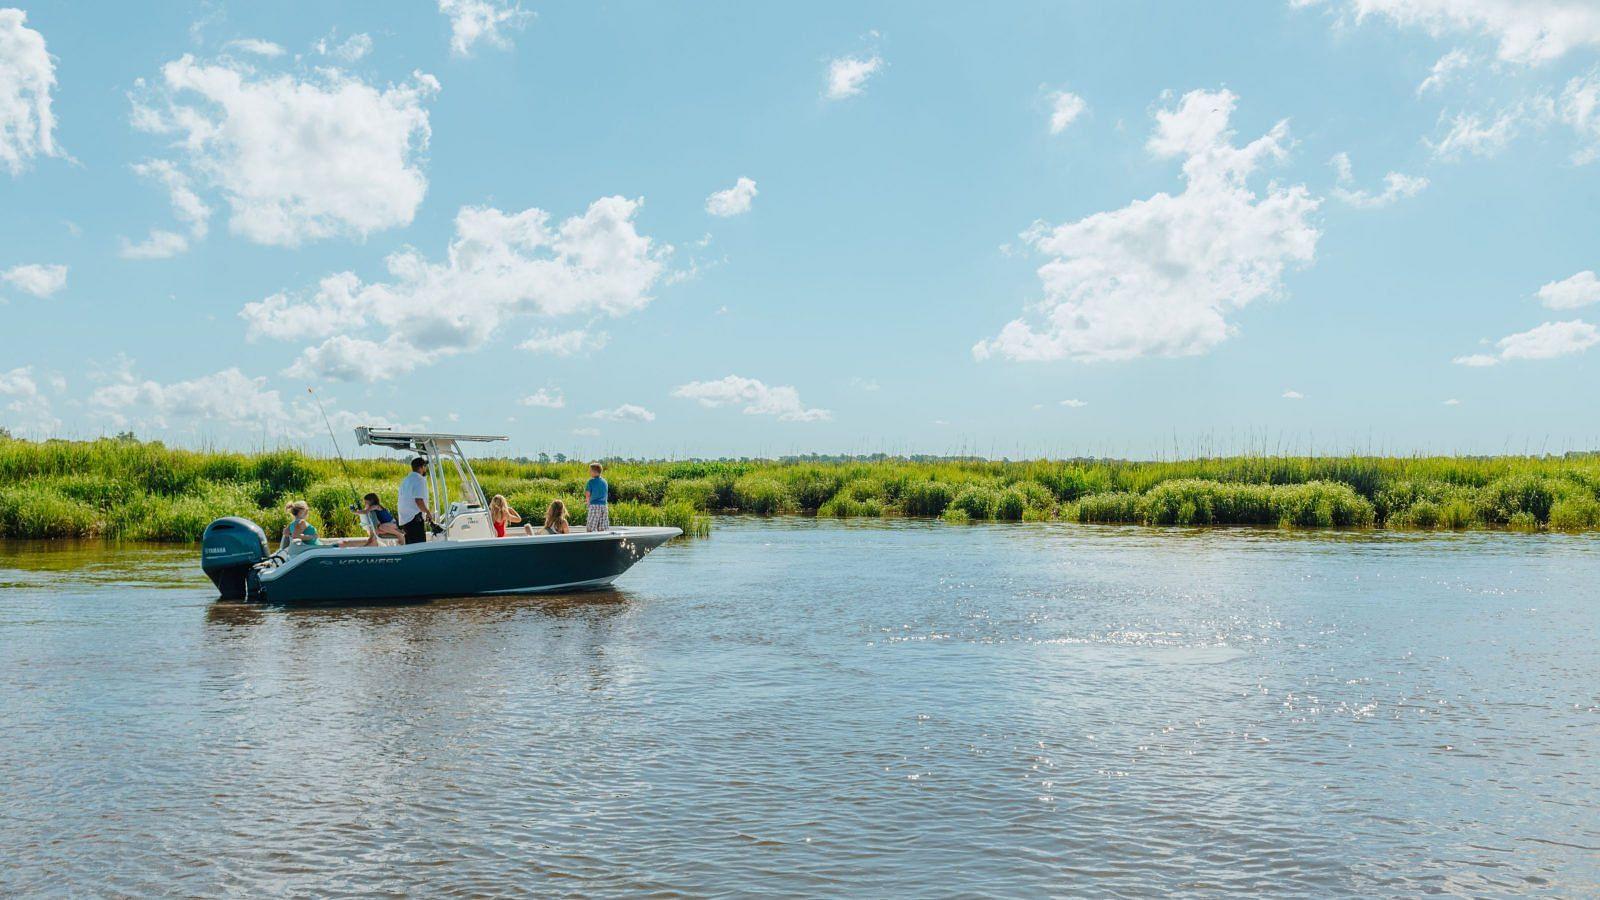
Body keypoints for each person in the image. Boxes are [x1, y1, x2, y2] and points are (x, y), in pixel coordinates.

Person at [398, 456, 432, 545]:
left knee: (410, 544)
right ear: (421, 467)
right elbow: (418, 500)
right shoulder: (419, 479)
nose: (425, 469)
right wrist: (428, 512)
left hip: (405, 518)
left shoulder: (406, 479)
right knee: (419, 545)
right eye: (425, 466)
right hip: (414, 518)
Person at [585, 462, 609, 532]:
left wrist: (588, 503)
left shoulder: (591, 482)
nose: (589, 472)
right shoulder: (605, 482)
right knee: (603, 526)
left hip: (594, 505)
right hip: (604, 506)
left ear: (594, 471)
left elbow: (587, 494)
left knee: (591, 525)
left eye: (590, 471)